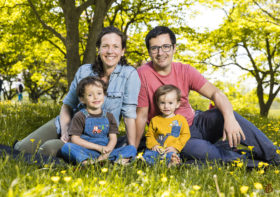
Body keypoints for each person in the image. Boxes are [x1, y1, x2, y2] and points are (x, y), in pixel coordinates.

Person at [136, 26, 280, 165]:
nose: (161, 53)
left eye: (166, 46)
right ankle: (252, 161)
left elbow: (216, 93)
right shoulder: (142, 75)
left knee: (225, 114)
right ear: (149, 52)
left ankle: (275, 156)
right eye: (155, 48)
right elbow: (141, 116)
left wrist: (229, 119)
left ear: (174, 48)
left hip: (197, 122)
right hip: (175, 136)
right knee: (210, 155)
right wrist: (132, 149)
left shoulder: (185, 70)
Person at [14, 26, 141, 157]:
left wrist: (132, 151)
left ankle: (69, 152)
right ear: (98, 49)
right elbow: (67, 105)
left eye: (115, 46)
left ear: (122, 51)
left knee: (47, 150)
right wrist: (65, 130)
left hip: (92, 136)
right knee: (21, 149)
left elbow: (129, 116)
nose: (110, 51)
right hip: (66, 124)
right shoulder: (84, 71)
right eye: (105, 46)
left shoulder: (129, 75)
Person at [61, 76, 136, 165]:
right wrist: (98, 148)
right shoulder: (80, 116)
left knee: (131, 148)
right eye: (90, 95)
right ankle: (88, 162)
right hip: (86, 150)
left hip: (106, 151)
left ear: (104, 95)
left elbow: (113, 138)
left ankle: (114, 162)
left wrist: (107, 151)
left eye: (99, 93)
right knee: (67, 147)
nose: (96, 97)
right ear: (82, 99)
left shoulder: (109, 116)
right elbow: (75, 139)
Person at [142, 85, 190, 166]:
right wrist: (154, 145)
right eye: (162, 103)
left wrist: (176, 147)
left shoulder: (180, 120)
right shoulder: (155, 120)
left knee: (171, 156)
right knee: (149, 154)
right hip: (157, 149)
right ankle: (146, 162)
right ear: (157, 103)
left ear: (177, 104)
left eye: (170, 103)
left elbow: (185, 135)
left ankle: (172, 162)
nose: (166, 106)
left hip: (171, 149)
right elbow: (149, 134)